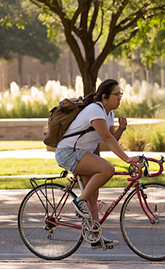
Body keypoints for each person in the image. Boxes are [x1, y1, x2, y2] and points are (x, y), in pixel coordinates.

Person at [54, 79, 138, 250]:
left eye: (120, 95)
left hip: (82, 154)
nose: (120, 98)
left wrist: (121, 129)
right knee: (108, 169)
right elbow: (106, 139)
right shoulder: (95, 110)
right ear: (105, 97)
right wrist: (127, 159)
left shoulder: (108, 113)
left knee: (93, 196)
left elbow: (111, 139)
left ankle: (95, 236)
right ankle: (79, 202)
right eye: (117, 95)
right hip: (69, 152)